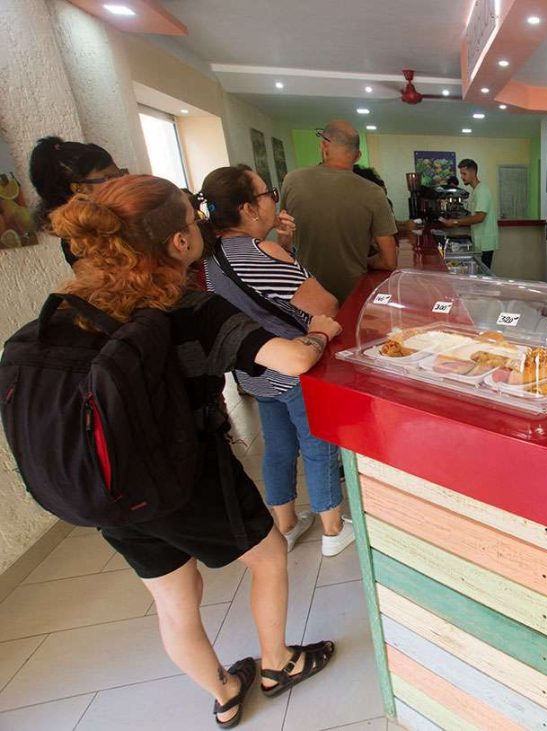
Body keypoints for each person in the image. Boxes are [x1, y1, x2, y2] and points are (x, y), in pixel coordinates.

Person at [49, 174, 340, 728]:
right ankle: (277, 664)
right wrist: (319, 334)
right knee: (269, 557)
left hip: (109, 486)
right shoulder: (191, 308)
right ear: (180, 244)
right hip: (186, 473)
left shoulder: (69, 308)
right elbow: (293, 361)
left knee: (174, 600)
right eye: (192, 218)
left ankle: (225, 692)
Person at [200, 165, 352, 557]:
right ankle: (333, 529)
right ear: (249, 209)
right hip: (294, 366)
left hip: (255, 372)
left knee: (279, 447)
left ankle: (285, 524)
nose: (274, 199)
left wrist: (284, 246)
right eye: (267, 193)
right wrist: (281, 251)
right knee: (317, 445)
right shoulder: (259, 251)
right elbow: (324, 304)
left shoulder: (213, 256)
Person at [280, 120, 397, 303]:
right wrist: (361, 262)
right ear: (357, 156)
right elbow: (389, 260)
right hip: (353, 295)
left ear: (324, 146)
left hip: (306, 295)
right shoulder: (373, 192)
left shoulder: (292, 180)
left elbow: (284, 235)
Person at [28, 136, 126, 267]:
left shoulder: (129, 214)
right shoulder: (77, 242)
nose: (122, 183)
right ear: (79, 188)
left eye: (120, 174)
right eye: (109, 178)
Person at [440, 158, 499, 269]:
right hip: (480, 240)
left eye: (464, 173)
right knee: (480, 272)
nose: (462, 177)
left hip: (485, 242)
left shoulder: (482, 190)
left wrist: (455, 221)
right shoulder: (476, 190)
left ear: (473, 173)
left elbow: (480, 217)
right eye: (461, 174)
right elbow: (474, 215)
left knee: (484, 274)